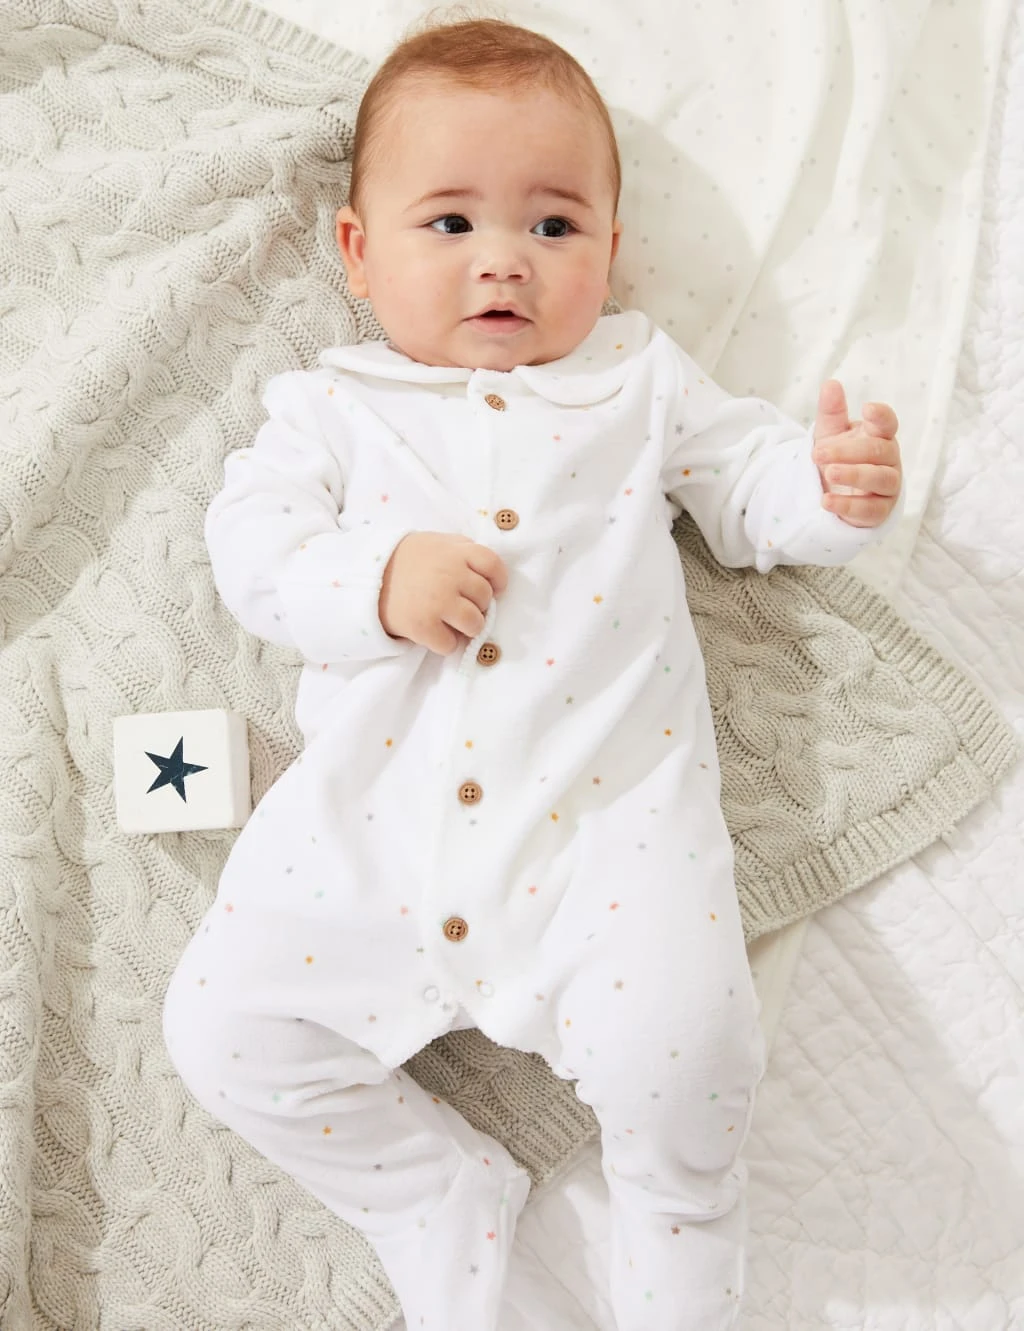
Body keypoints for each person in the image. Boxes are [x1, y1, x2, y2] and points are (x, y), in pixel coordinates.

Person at [161, 15, 904, 1330]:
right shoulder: (330, 408)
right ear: (358, 253)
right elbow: (252, 550)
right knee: (223, 1033)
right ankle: (432, 1193)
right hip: (367, 845)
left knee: (693, 1066)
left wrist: (828, 492)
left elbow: (747, 489)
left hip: (609, 850)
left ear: (611, 251)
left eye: (554, 225)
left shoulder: (638, 381)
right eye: (449, 223)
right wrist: (374, 583)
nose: (503, 258)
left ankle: (681, 1275)